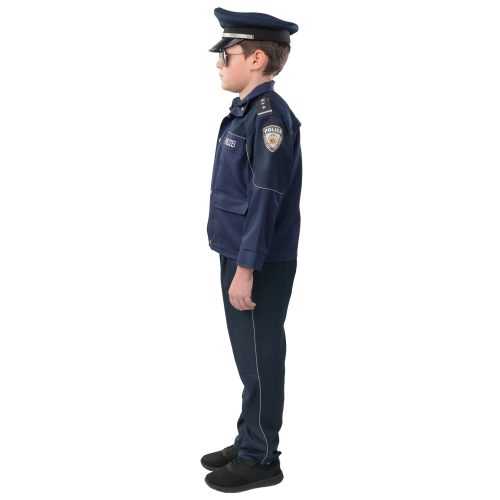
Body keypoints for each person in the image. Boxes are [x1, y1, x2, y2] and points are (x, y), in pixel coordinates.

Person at [202, 7, 302, 493]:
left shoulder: (268, 119)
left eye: (227, 54)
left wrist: (246, 268)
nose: (219, 62)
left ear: (256, 59)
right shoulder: (245, 112)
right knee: (249, 356)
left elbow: (265, 198)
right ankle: (249, 439)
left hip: (257, 260)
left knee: (261, 357)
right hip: (239, 252)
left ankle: (261, 457)